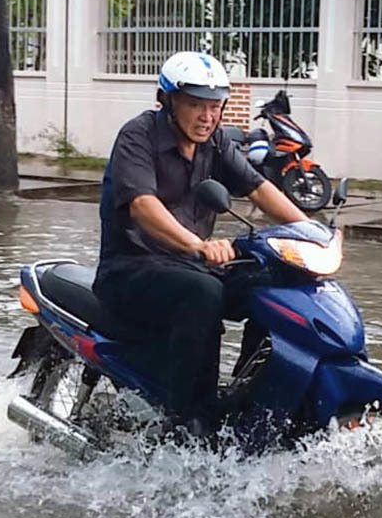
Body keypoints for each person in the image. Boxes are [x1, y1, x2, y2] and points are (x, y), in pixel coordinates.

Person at [93, 51, 307, 433]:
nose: (206, 117)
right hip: (130, 269)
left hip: (189, 264)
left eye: (214, 106)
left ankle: (252, 397)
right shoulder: (137, 136)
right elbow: (143, 206)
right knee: (203, 292)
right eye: (195, 105)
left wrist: (311, 231)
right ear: (167, 101)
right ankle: (188, 417)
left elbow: (258, 188)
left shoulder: (217, 143)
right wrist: (198, 244)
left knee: (275, 280)